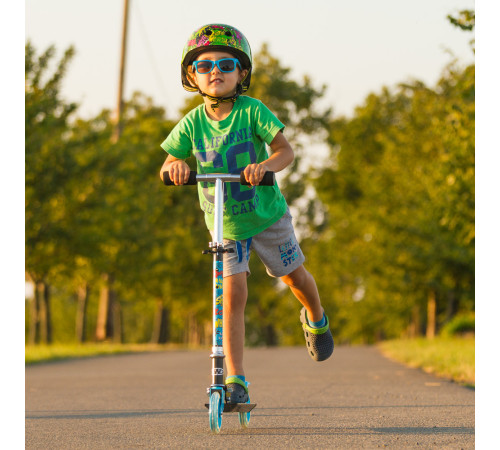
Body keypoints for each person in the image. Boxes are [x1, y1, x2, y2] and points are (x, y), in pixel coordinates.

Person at [160, 23, 333, 404]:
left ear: (242, 74)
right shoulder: (191, 123)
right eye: (204, 66)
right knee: (231, 295)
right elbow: (170, 159)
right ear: (193, 76)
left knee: (293, 277)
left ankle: (316, 316)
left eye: (225, 64)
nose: (215, 72)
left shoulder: (252, 111)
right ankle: (235, 379)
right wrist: (175, 167)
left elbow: (285, 151)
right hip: (225, 223)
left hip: (267, 216)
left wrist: (267, 166)